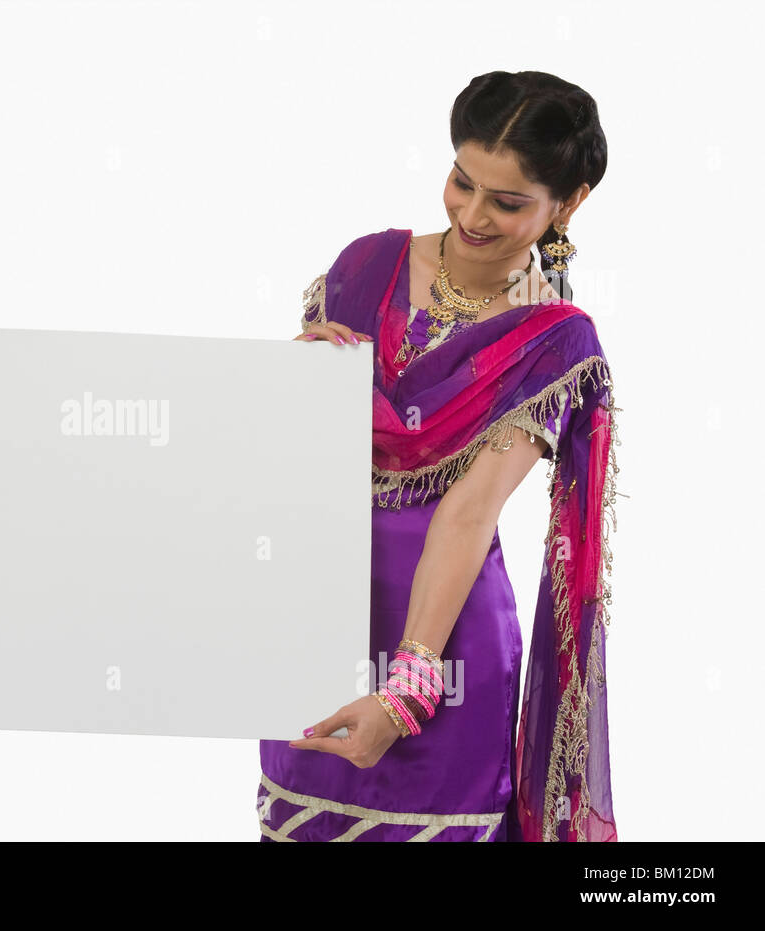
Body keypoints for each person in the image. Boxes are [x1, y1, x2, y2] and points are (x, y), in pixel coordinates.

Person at [259, 71, 619, 842]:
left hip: (444, 646)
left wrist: (406, 693)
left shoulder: (552, 338)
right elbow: (289, 469)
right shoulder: (365, 268)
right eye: (462, 181)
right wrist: (293, 386)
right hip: (317, 619)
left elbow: (467, 512)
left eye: (509, 201)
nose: (472, 214)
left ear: (570, 203)